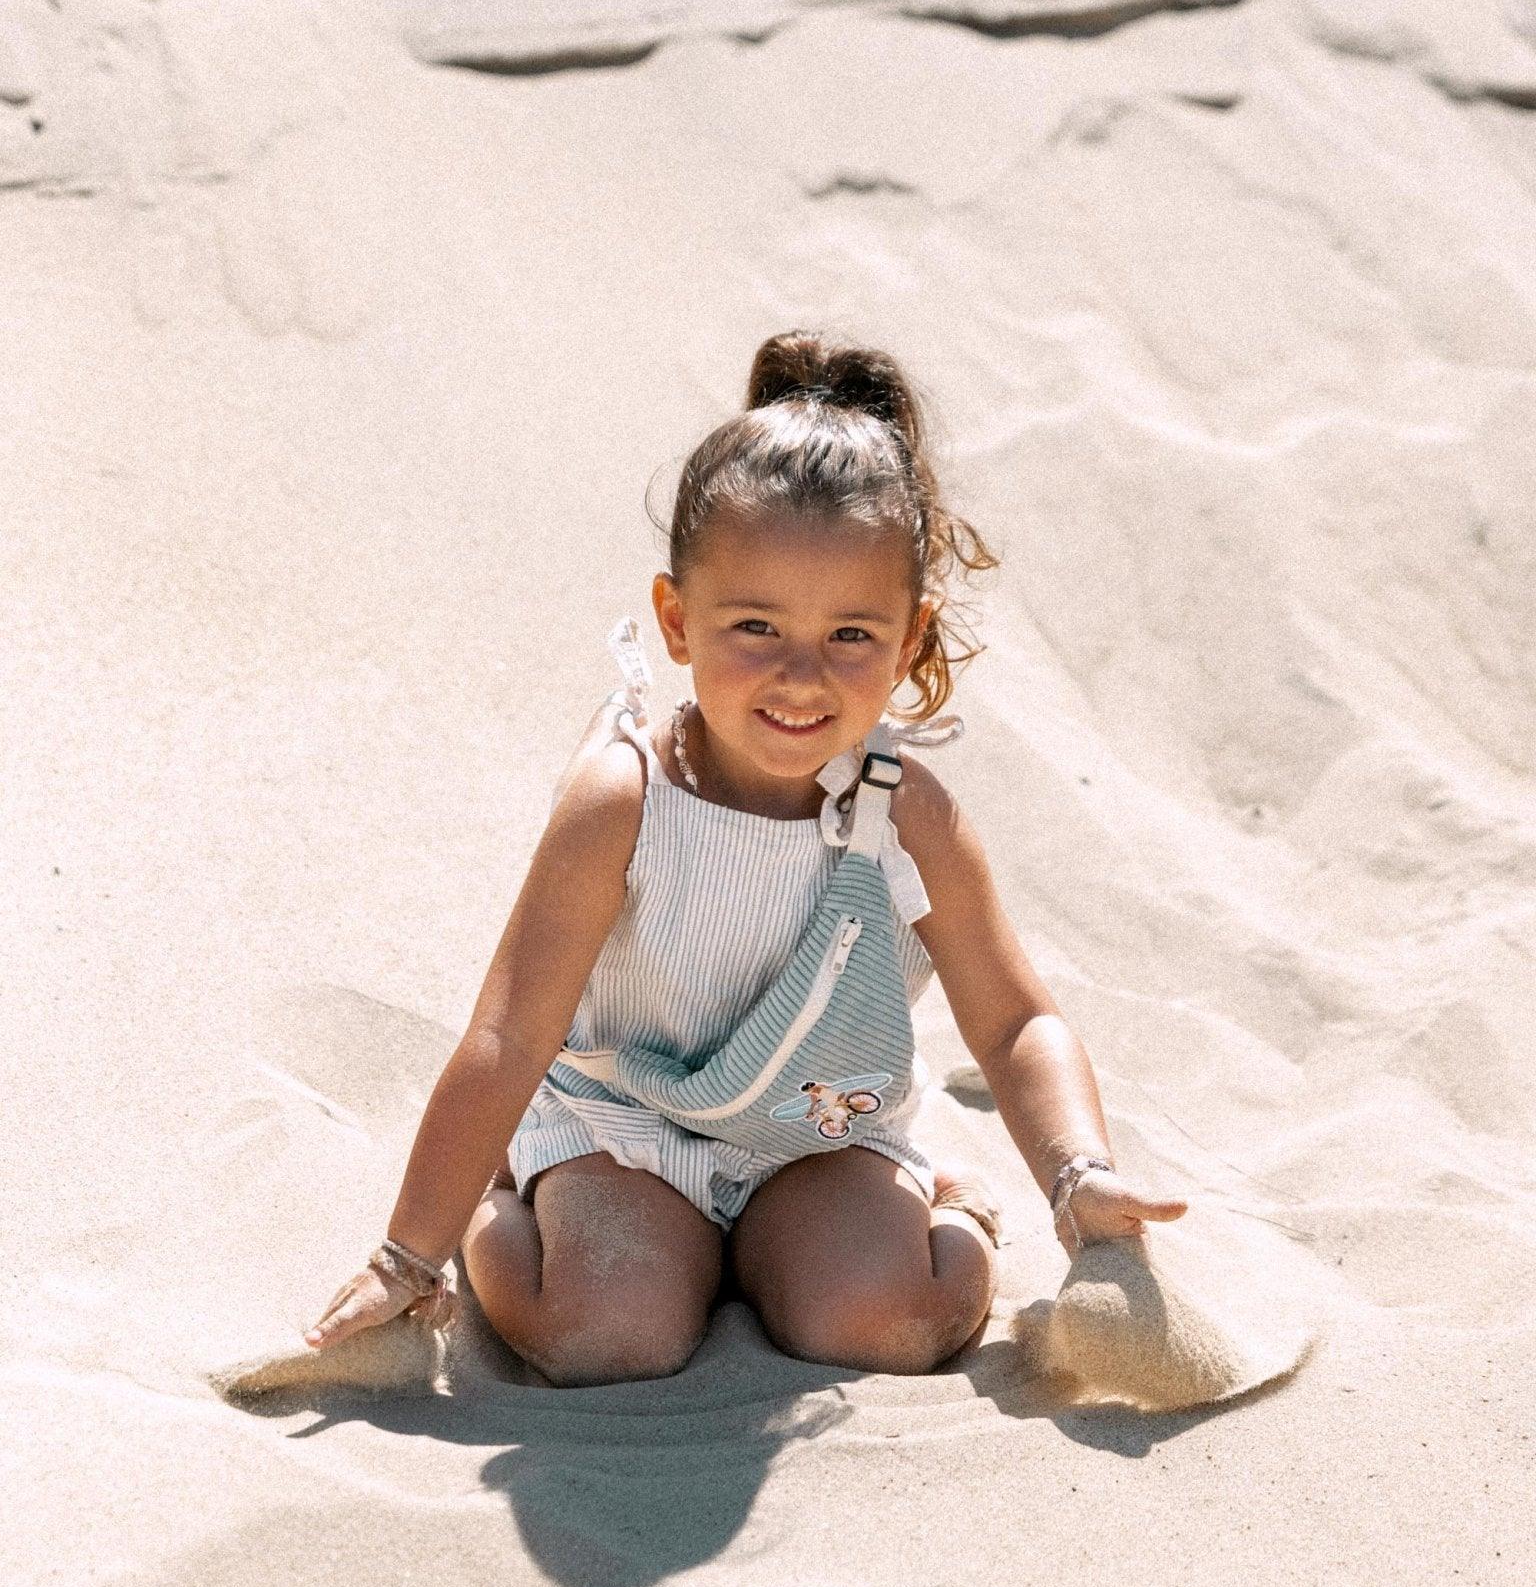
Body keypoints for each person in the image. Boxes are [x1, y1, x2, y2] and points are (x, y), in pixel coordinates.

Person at [304, 330, 1189, 1382]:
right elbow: (510, 1029)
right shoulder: (625, 799)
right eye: (755, 625)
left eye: (852, 635)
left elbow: (1015, 1016)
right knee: (606, 1335)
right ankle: (513, 1191)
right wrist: (408, 1254)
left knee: (886, 1323)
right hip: (622, 1125)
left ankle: (944, 1205)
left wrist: (1075, 1173)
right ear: (678, 620)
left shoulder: (907, 816)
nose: (801, 676)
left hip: (817, 1140)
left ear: (910, 640)